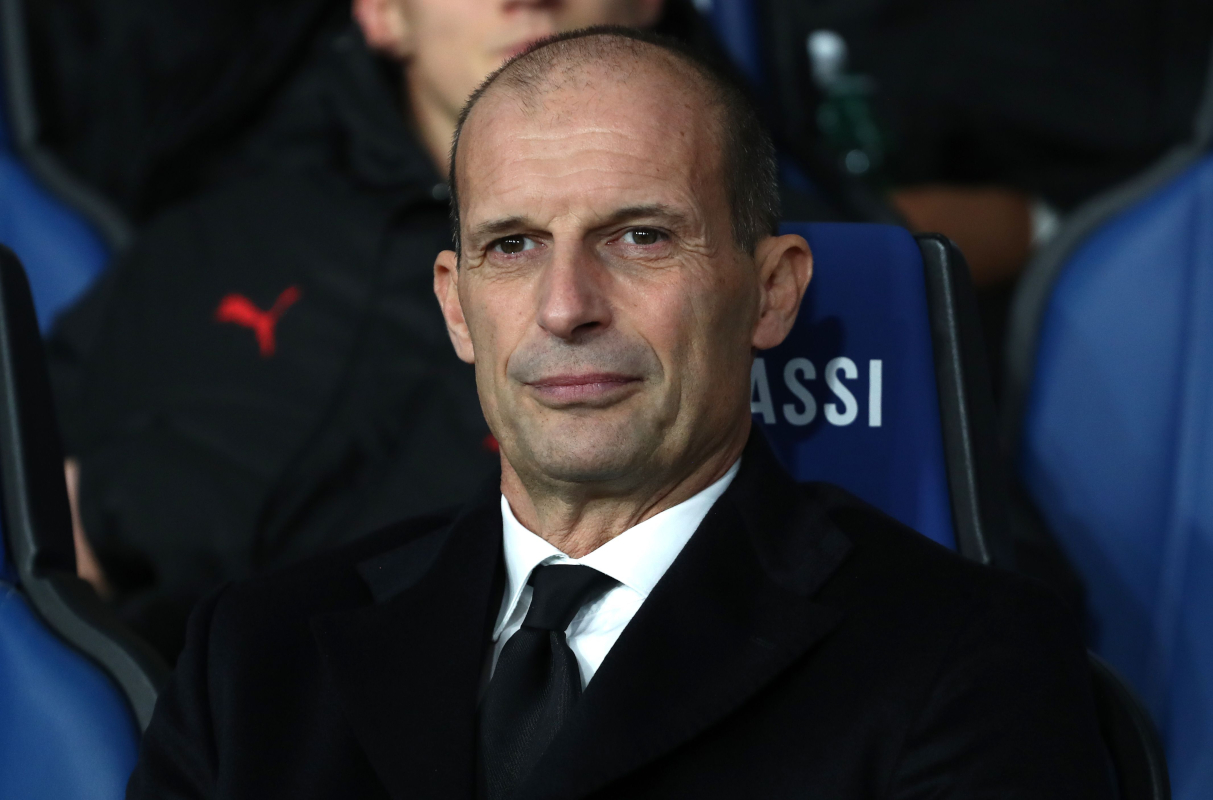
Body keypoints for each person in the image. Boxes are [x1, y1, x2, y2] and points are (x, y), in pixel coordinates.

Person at [128, 29, 1112, 799]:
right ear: (454, 304)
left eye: (640, 236)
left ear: (770, 291)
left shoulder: (969, 658)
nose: (565, 305)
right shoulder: (253, 655)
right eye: (511, 246)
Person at [50, 0, 850, 663]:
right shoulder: (203, 243)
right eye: (509, 246)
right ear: (381, 15)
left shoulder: (769, 275)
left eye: (638, 237)